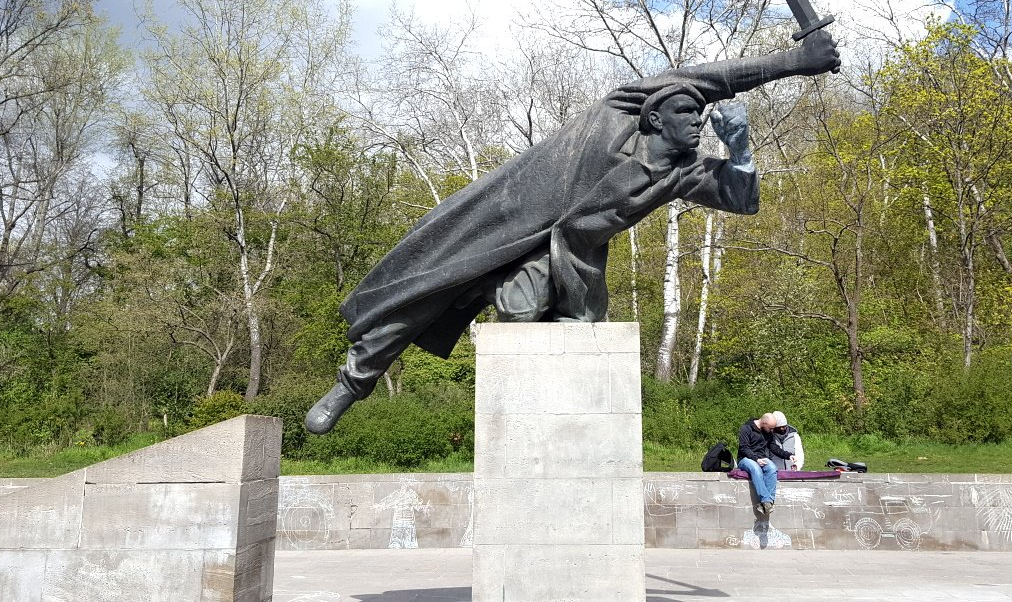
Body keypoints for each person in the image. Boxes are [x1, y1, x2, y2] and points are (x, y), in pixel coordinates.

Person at [305, 25, 842, 434]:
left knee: (519, 313)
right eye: (687, 111)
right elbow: (713, 78)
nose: (698, 119)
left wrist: (741, 148)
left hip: (569, 262)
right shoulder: (618, 112)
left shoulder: (682, 172)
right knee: (427, 287)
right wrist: (796, 61)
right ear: (655, 117)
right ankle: (351, 385)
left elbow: (741, 196)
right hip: (508, 217)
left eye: (701, 116)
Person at [737, 412, 791, 517]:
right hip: (745, 459)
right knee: (756, 469)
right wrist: (756, 459)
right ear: (764, 423)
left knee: (772, 468)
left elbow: (774, 447)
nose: (772, 431)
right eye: (771, 428)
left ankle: (767, 504)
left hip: (760, 458)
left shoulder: (767, 432)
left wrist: (788, 455)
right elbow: (744, 448)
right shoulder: (746, 429)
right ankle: (766, 500)